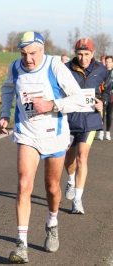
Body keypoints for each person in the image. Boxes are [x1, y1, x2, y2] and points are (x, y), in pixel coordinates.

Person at [0, 31, 86, 263]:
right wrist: (5, 113)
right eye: (24, 54)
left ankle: (52, 222)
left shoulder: (54, 65)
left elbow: (78, 98)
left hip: (54, 135)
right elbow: (7, 89)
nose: (28, 59)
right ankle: (21, 244)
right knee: (24, 183)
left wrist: (52, 104)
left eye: (33, 53)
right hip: (27, 134)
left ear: (43, 49)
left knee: (52, 187)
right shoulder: (16, 67)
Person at [63, 38, 108, 214]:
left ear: (93, 53)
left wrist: (102, 103)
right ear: (75, 54)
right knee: (69, 159)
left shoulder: (100, 70)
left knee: (82, 156)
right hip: (70, 120)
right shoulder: (66, 69)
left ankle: (78, 200)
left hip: (90, 120)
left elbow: (105, 91)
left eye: (86, 54)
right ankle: (71, 181)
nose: (83, 58)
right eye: (80, 54)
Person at [95, 55, 113, 140]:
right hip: (102, 95)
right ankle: (101, 132)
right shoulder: (102, 72)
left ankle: (108, 132)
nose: (108, 64)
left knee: (109, 115)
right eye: (106, 62)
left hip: (111, 96)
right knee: (101, 114)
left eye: (109, 62)